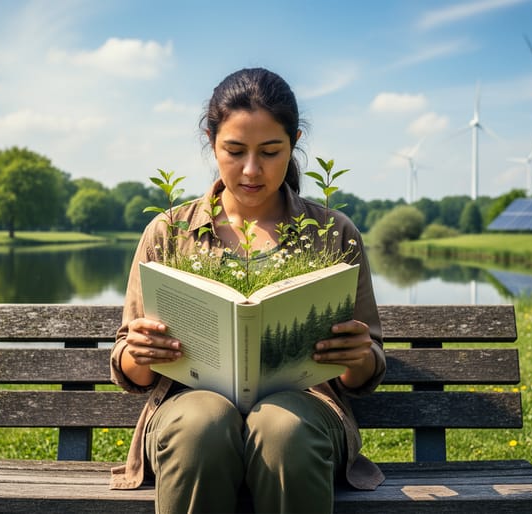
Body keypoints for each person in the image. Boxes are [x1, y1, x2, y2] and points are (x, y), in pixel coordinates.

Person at [110, 67, 386, 513]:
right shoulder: (169, 231)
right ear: (211, 140)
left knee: (283, 428)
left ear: (294, 142)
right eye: (234, 151)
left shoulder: (333, 233)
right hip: (187, 406)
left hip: (305, 410)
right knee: (201, 425)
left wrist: (358, 356)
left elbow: (365, 372)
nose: (252, 170)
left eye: (271, 152)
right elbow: (130, 369)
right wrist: (138, 352)